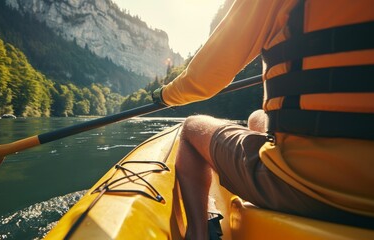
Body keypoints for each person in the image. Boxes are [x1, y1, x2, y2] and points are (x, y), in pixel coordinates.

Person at [152, 0, 374, 238]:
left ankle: (198, 233)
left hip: (310, 182)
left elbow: (204, 79)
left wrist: (164, 95)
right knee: (258, 117)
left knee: (191, 127)